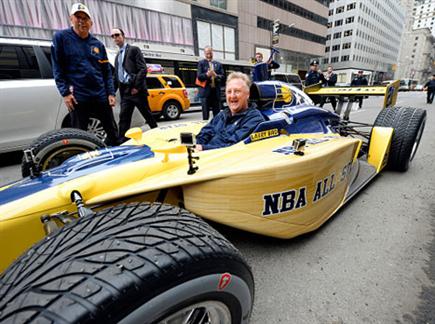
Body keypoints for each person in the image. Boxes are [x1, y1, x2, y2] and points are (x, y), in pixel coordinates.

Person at [51, 3, 118, 146]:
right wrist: (65, 93)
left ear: (91, 23)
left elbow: (106, 72)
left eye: (85, 18)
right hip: (79, 97)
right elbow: (57, 68)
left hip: (100, 95)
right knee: (79, 136)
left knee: (112, 132)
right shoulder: (61, 38)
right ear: (71, 19)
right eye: (78, 17)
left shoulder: (98, 45)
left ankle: (116, 160)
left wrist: (111, 93)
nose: (82, 21)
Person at [195, 72, 265, 151]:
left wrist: (202, 148)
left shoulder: (255, 119)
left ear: (247, 94)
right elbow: (205, 133)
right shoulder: (222, 114)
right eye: (229, 92)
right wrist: (196, 145)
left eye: (237, 91)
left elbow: (232, 146)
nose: (232, 96)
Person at [111, 27, 158, 142]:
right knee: (124, 118)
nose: (115, 38)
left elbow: (143, 69)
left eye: (117, 35)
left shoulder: (133, 50)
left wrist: (136, 87)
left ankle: (158, 135)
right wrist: (111, 93)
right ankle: (122, 142)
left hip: (136, 91)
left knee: (148, 116)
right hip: (125, 92)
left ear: (123, 36)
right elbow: (116, 77)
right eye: (113, 36)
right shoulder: (117, 56)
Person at [197, 46, 225, 120]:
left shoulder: (218, 64)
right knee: (205, 115)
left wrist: (216, 75)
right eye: (207, 53)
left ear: (212, 53)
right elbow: (199, 76)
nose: (209, 55)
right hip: (205, 93)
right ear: (204, 53)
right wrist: (207, 75)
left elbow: (223, 77)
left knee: (217, 115)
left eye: (210, 53)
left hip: (215, 93)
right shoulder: (201, 63)